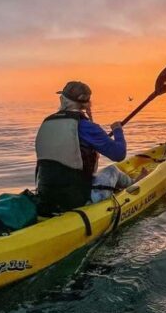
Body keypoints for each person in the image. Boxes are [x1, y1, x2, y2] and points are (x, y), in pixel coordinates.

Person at [34, 81, 133, 215]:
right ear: (87, 103)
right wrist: (117, 130)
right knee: (113, 170)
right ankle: (136, 183)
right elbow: (119, 154)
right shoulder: (86, 126)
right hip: (76, 200)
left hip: (46, 197)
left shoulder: (48, 122)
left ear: (62, 99)